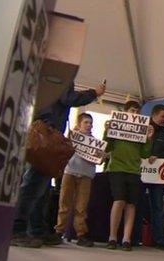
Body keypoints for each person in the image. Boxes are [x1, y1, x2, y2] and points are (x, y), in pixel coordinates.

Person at [11, 82, 105, 248]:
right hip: (46, 136)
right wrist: (93, 93)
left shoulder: (51, 75)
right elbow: (68, 98)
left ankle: (37, 231)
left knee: (41, 188)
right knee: (33, 186)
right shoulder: (61, 75)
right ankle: (17, 230)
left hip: (45, 134)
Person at [104, 101, 154, 251]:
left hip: (134, 170)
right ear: (125, 112)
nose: (136, 114)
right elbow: (107, 147)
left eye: (138, 112)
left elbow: (145, 153)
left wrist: (149, 139)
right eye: (133, 111)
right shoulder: (116, 126)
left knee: (131, 204)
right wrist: (107, 131)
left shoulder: (141, 131)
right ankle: (112, 237)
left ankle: (126, 238)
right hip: (117, 168)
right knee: (119, 201)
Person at [53, 113, 98, 247]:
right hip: (70, 171)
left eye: (90, 123)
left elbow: (99, 160)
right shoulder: (71, 138)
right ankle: (59, 231)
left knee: (81, 206)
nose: (89, 125)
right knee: (64, 203)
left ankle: (81, 234)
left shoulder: (95, 142)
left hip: (86, 174)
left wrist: (100, 155)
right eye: (86, 122)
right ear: (79, 124)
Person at [142, 104, 164, 250]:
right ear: (154, 115)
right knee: (137, 205)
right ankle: (135, 237)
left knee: (158, 206)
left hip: (158, 176)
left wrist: (158, 157)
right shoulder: (142, 127)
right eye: (163, 116)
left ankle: (160, 240)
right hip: (141, 173)